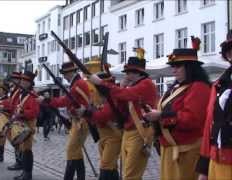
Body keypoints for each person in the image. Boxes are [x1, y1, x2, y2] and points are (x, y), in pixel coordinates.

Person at [89, 51, 158, 180]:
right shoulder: (132, 85)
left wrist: (101, 83)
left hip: (140, 132)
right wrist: (121, 86)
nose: (126, 75)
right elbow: (119, 106)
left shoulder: (146, 84)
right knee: (128, 173)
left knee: (130, 175)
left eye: (129, 72)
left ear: (136, 72)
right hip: (128, 132)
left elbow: (125, 95)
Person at [143, 48, 211, 179]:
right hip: (170, 149)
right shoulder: (177, 87)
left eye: (178, 66)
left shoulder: (199, 87)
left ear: (190, 68)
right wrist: (153, 114)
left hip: (187, 152)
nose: (173, 70)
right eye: (173, 66)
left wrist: (161, 116)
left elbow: (192, 119)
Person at [43, 62, 90, 180]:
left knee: (71, 151)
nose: (64, 76)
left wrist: (47, 100)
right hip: (77, 121)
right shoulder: (76, 84)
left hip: (81, 122)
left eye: (65, 73)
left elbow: (65, 101)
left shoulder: (78, 84)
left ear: (72, 72)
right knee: (76, 152)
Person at [196, 30, 232, 180]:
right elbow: (209, 126)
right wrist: (204, 169)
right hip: (216, 160)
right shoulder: (218, 85)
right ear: (229, 55)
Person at [85, 72, 122, 180]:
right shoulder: (99, 100)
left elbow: (103, 116)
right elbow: (96, 118)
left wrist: (87, 113)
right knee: (111, 167)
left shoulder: (113, 99)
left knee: (105, 166)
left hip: (113, 137)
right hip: (103, 137)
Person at [11, 70, 39, 180]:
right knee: (23, 149)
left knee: (27, 150)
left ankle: (28, 174)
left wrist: (22, 113)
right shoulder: (23, 93)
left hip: (29, 124)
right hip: (22, 123)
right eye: (21, 80)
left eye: (24, 80)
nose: (21, 81)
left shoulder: (33, 94)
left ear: (29, 82)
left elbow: (34, 112)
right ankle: (24, 172)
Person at [7, 71, 24, 171]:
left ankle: (20, 162)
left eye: (14, 79)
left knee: (18, 141)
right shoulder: (14, 90)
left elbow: (18, 103)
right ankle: (18, 161)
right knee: (15, 141)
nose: (12, 81)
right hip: (13, 117)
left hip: (18, 118)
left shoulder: (19, 90)